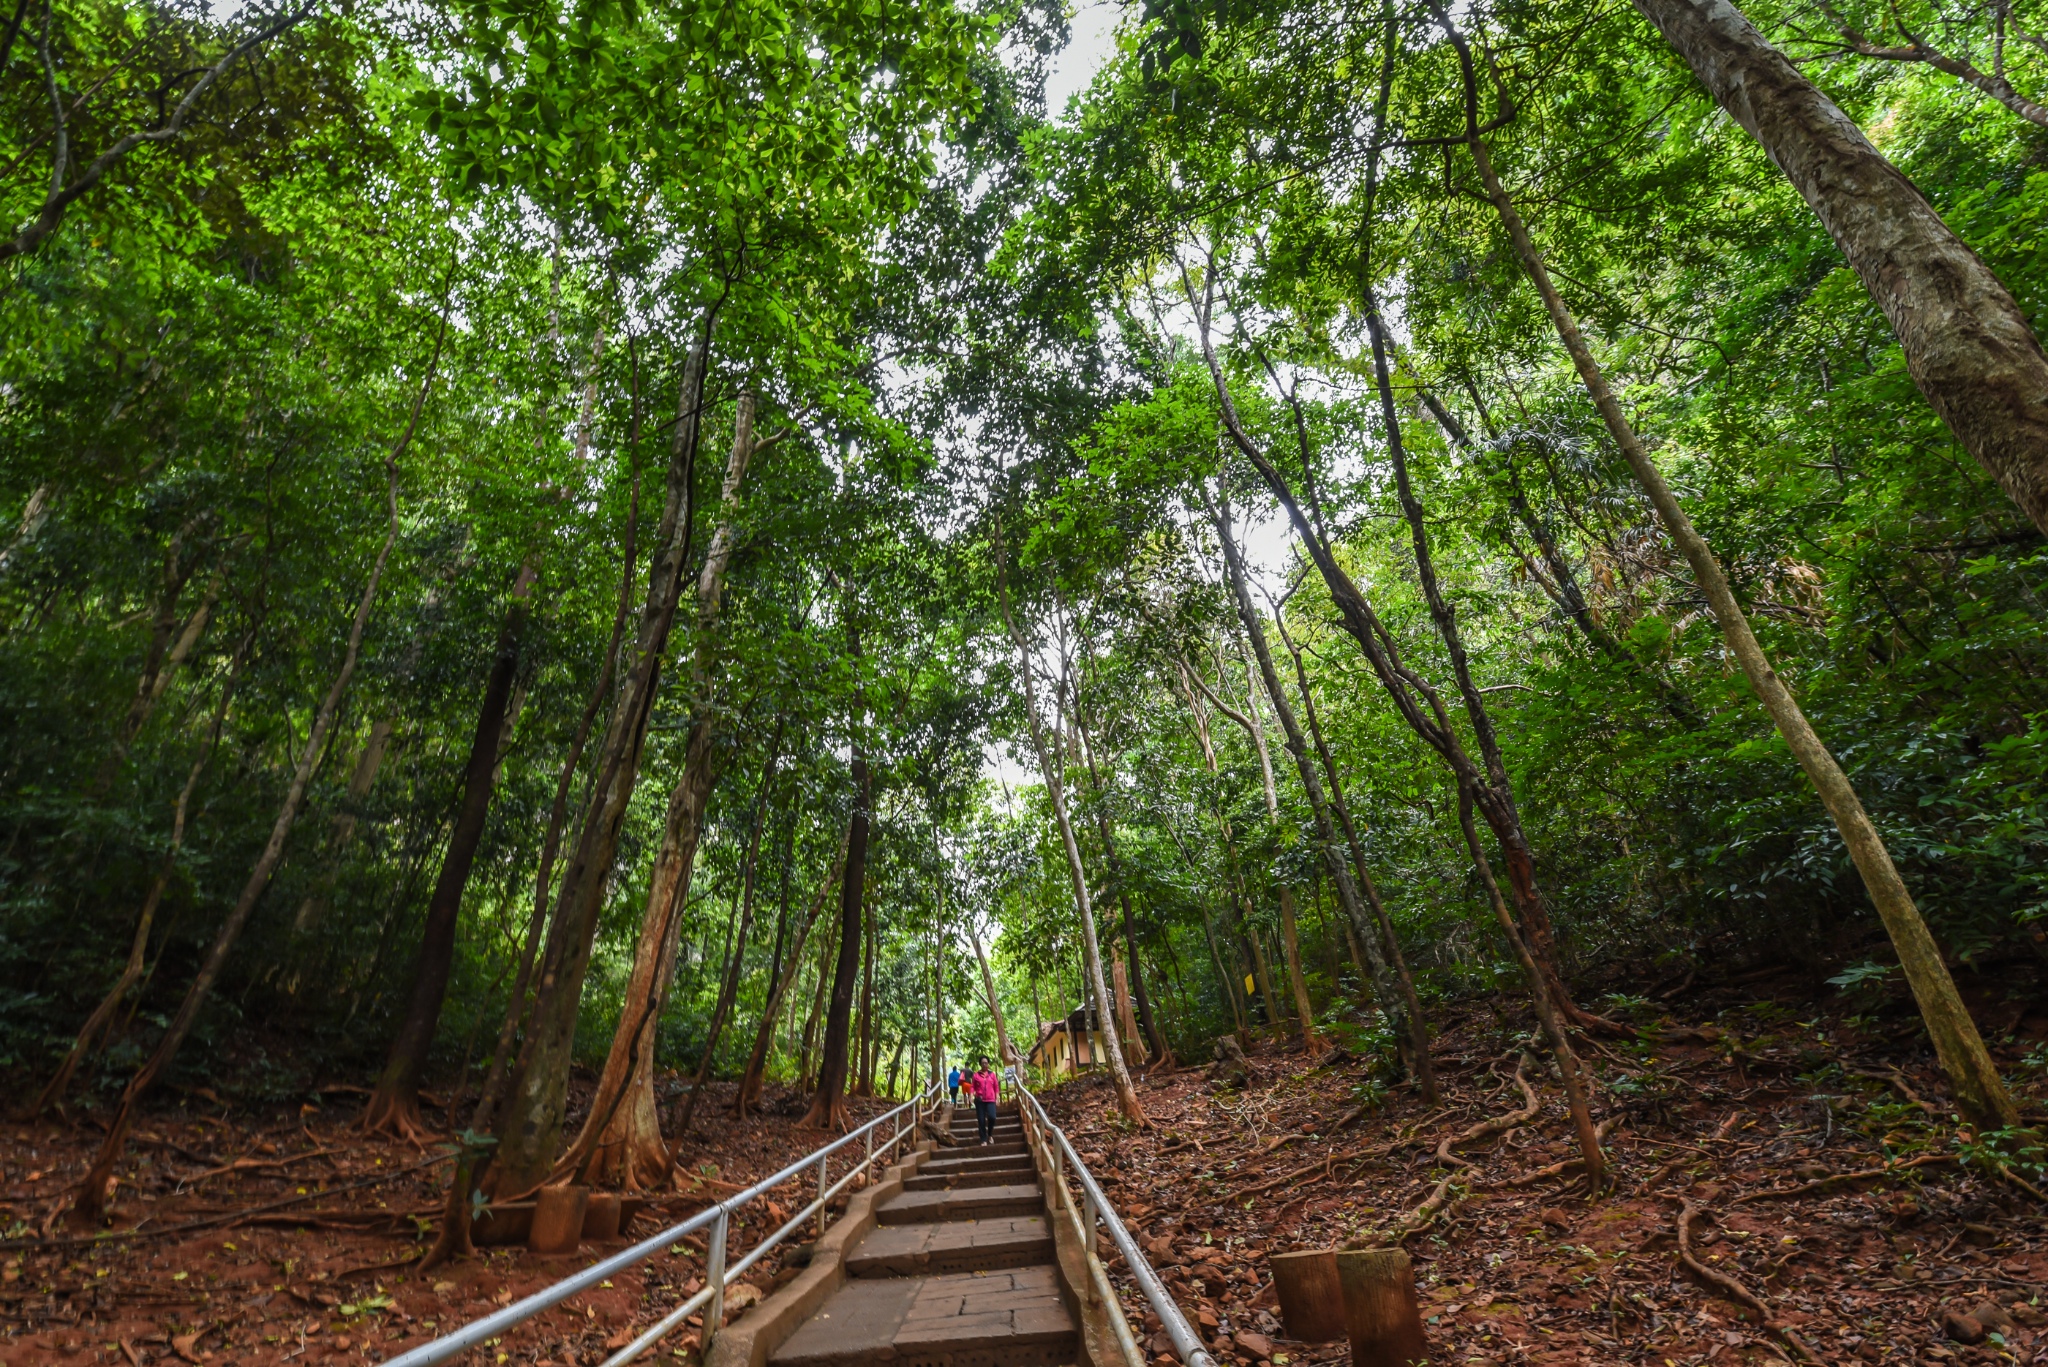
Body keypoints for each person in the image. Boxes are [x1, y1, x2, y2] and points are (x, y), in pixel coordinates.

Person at [970, 1056, 1001, 1144]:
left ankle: (990, 1134)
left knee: (992, 1117)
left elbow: (996, 1087)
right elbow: (972, 1087)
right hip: (980, 1101)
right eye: (983, 1063)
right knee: (981, 1120)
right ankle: (983, 1139)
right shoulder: (976, 1075)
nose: (984, 1064)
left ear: (988, 1064)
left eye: (986, 1063)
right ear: (980, 1064)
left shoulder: (992, 1075)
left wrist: (997, 1098)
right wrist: (971, 1095)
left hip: (991, 1100)